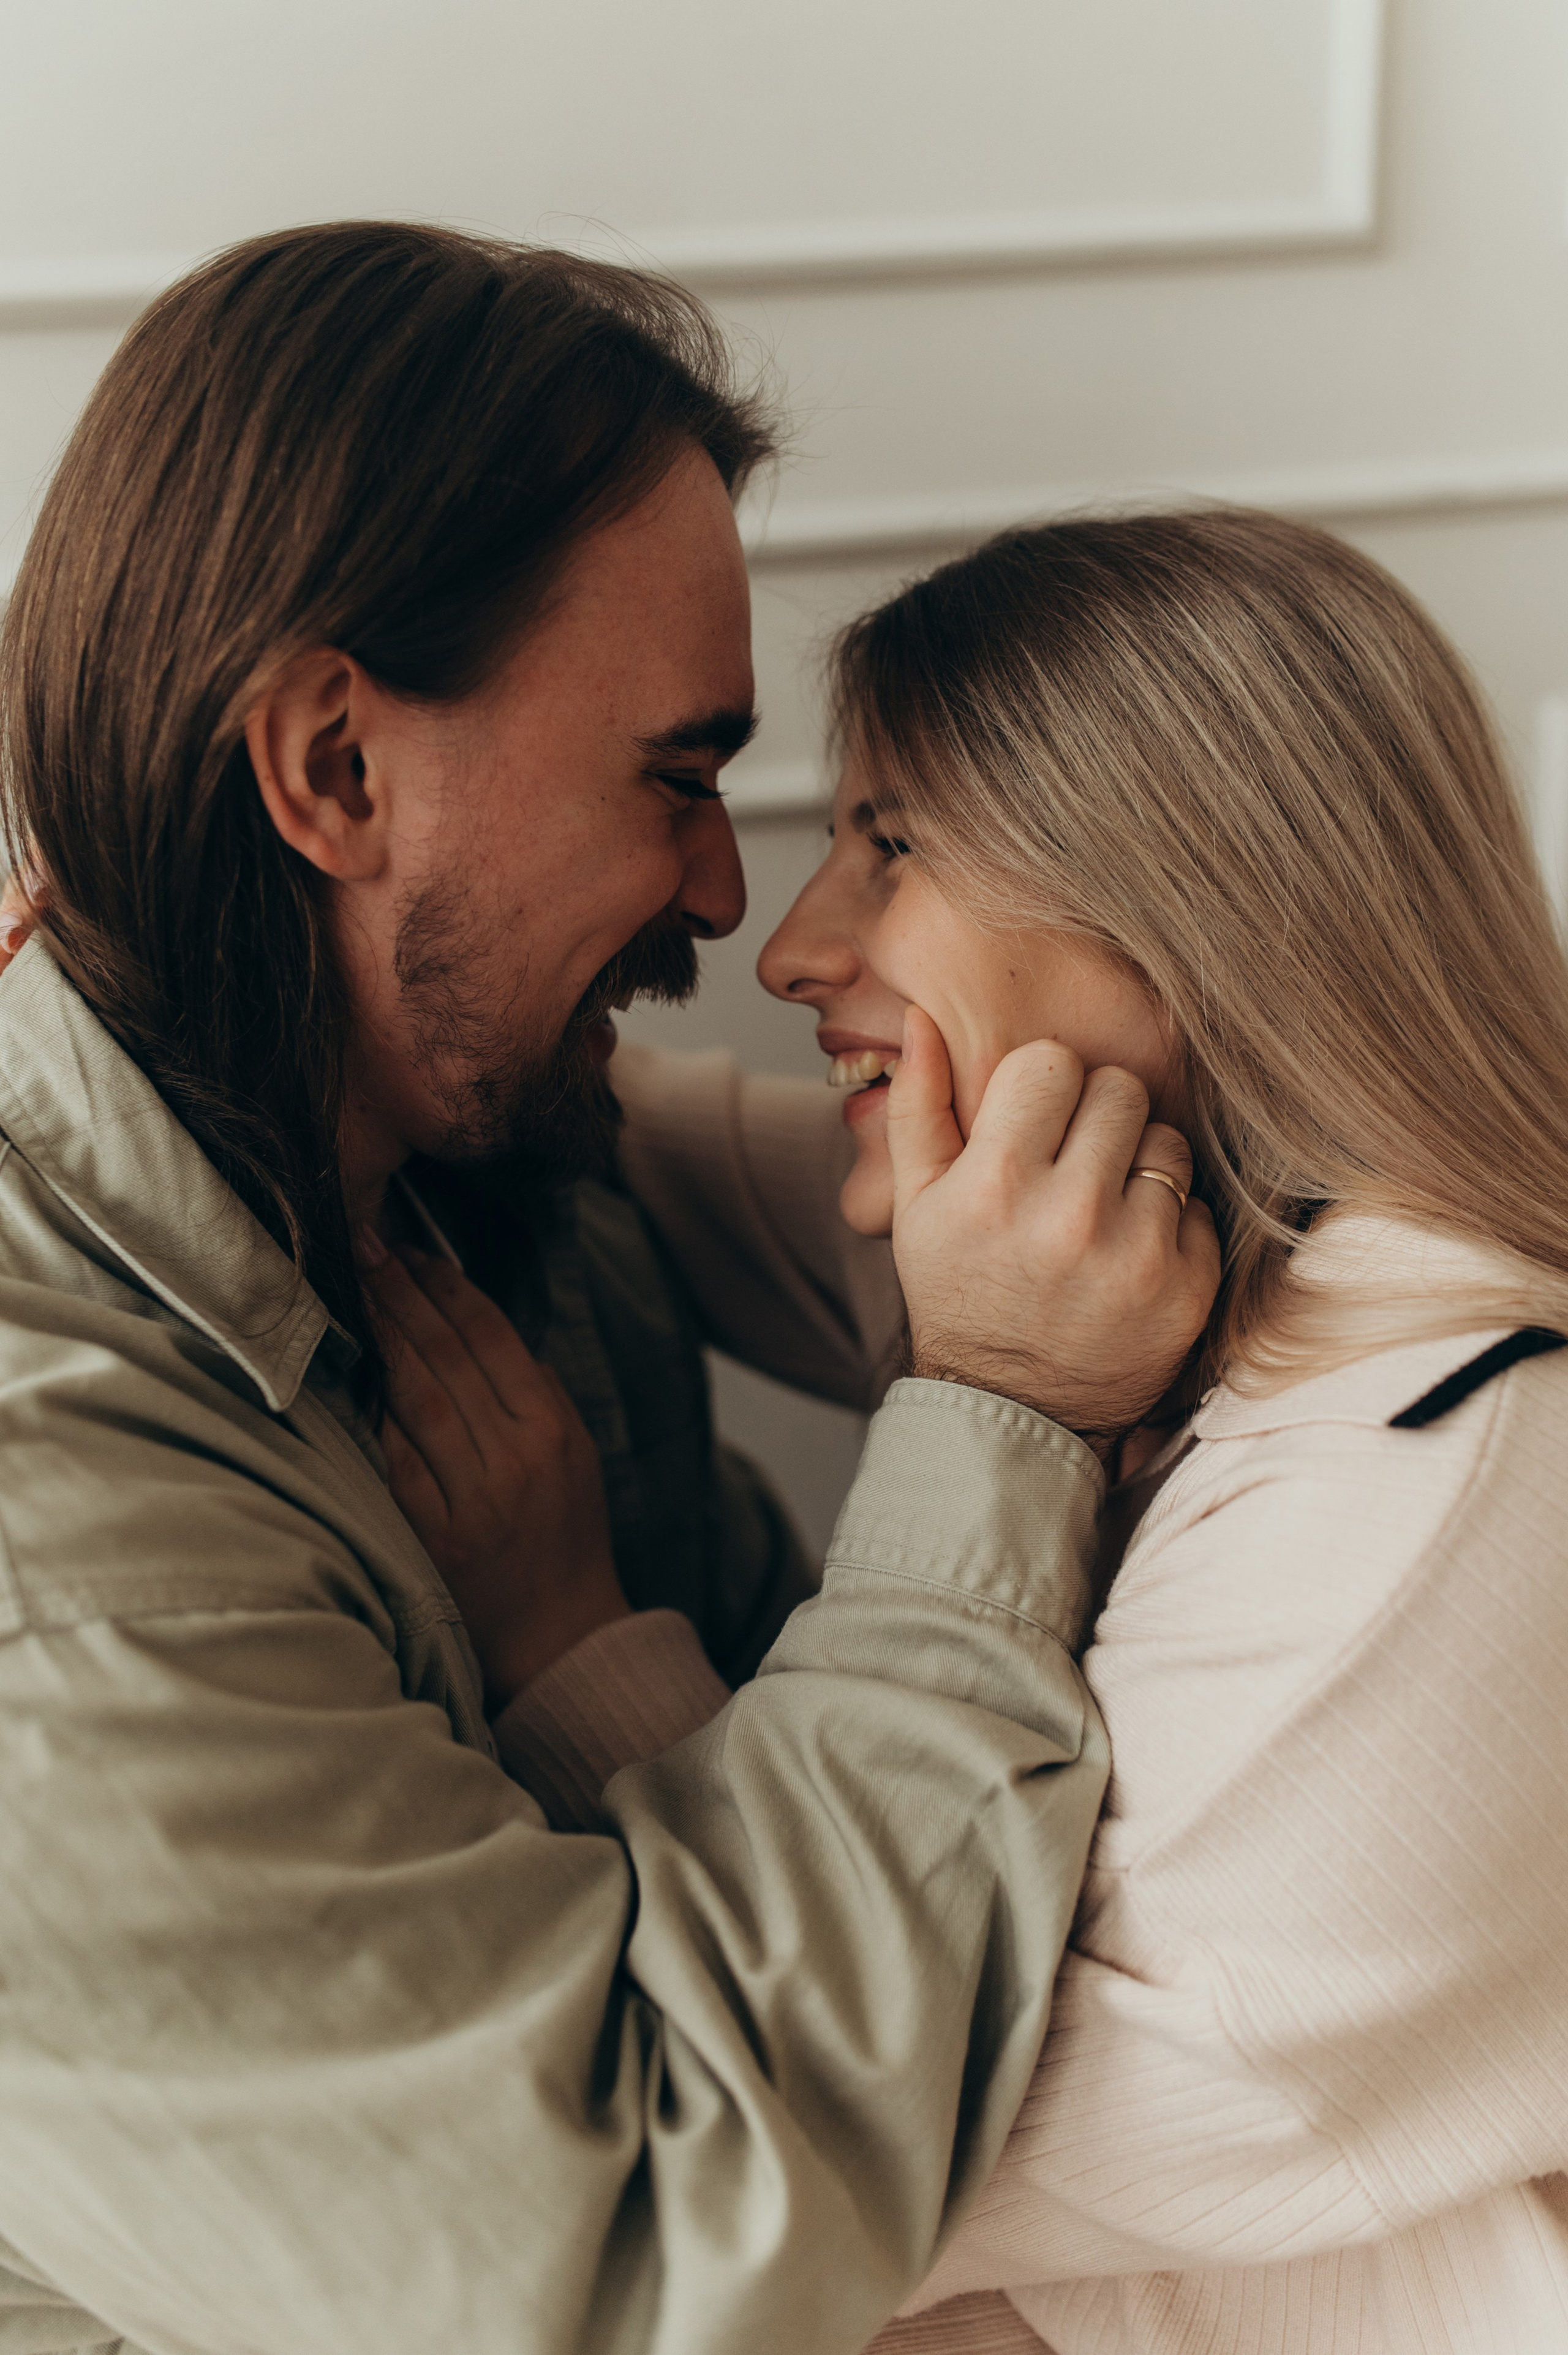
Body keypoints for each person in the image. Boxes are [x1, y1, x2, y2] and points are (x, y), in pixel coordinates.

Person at [0, 224, 1216, 2355]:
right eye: (676, 776)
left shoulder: (443, 1155)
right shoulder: (64, 1565)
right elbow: (651, 2253)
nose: (733, 898)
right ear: (333, 771)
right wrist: (997, 1417)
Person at [522, 508, 1568, 2352]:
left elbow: (812, 2167)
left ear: (1187, 904)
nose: (792, 947)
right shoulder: (1151, 1246)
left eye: (892, 845)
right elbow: (634, 1130)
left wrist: (573, 1646)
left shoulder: (1441, 1467)